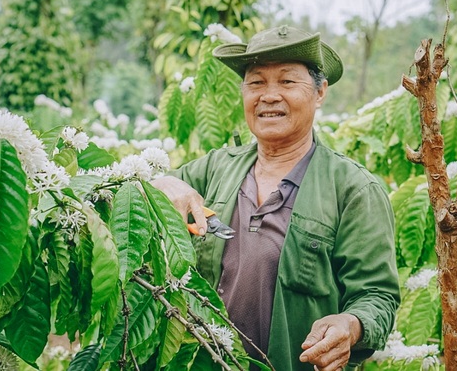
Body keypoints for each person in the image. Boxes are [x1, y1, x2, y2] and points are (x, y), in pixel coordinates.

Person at [152, 25, 400, 370]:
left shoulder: (353, 189)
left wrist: (351, 324)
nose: (268, 95)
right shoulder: (212, 169)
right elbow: (137, 200)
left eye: (286, 82)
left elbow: (377, 296)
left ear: (319, 92)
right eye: (256, 83)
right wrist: (162, 183)